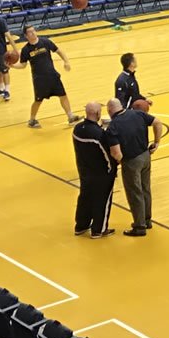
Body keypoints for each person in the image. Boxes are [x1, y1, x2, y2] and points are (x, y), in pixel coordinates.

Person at [108, 96, 166, 236]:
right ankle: (147, 220)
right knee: (145, 188)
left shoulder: (113, 126)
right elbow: (158, 123)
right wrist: (156, 142)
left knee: (135, 193)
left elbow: (116, 152)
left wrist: (123, 162)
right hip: (145, 156)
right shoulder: (137, 113)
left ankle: (139, 226)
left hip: (131, 160)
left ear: (109, 111)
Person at [71, 101, 121, 239]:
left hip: (84, 170)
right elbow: (107, 154)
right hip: (101, 173)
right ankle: (99, 229)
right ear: (98, 113)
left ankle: (81, 225)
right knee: (102, 200)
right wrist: (112, 169)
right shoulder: (99, 135)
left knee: (85, 197)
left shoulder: (77, 129)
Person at [19, 24, 73, 128]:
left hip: (52, 75)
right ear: (26, 35)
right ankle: (32, 120)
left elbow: (58, 50)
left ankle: (70, 116)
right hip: (39, 79)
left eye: (33, 30)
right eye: (30, 32)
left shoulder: (45, 42)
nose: (33, 33)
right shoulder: (26, 50)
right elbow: (23, 64)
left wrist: (66, 61)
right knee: (38, 101)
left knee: (63, 95)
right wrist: (12, 65)